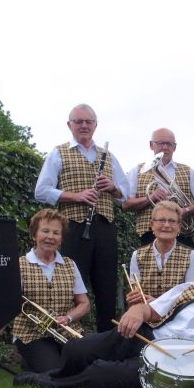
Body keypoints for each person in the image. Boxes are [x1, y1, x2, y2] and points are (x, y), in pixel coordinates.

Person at [13, 254, 194, 388]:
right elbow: (151, 311)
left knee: (100, 374)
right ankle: (53, 375)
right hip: (145, 335)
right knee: (75, 349)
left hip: (174, 364)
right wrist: (137, 311)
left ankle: (46, 381)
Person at [34, 103, 127, 332]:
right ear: (70, 125)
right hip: (73, 228)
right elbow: (41, 191)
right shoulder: (58, 152)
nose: (84, 125)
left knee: (106, 286)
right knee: (71, 286)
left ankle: (106, 339)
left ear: (95, 125)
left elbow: (125, 195)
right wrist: (76, 196)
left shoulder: (109, 156)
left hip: (104, 227)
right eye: (79, 121)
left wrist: (112, 187)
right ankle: (72, 338)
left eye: (88, 121)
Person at [0, 209, 90, 372]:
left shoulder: (70, 265)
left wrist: (69, 317)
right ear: (34, 235)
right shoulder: (19, 265)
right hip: (31, 335)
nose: (50, 237)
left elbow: (84, 303)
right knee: (55, 371)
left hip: (68, 332)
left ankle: (33, 362)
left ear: (61, 239)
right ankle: (32, 360)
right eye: (45, 231)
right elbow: (8, 306)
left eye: (56, 233)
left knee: (86, 365)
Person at [122, 128, 194, 248]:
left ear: (174, 147)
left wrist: (186, 211)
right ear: (151, 145)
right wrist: (151, 197)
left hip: (181, 234)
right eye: (160, 143)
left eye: (169, 144)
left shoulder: (188, 171)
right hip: (149, 234)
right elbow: (125, 205)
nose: (165, 147)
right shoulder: (137, 171)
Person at [127, 201, 194, 302]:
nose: (167, 225)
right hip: (146, 311)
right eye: (161, 220)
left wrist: (158, 303)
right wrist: (133, 299)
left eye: (172, 221)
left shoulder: (192, 256)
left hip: (180, 312)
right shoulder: (137, 255)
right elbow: (137, 295)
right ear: (152, 225)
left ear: (179, 227)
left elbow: (193, 296)